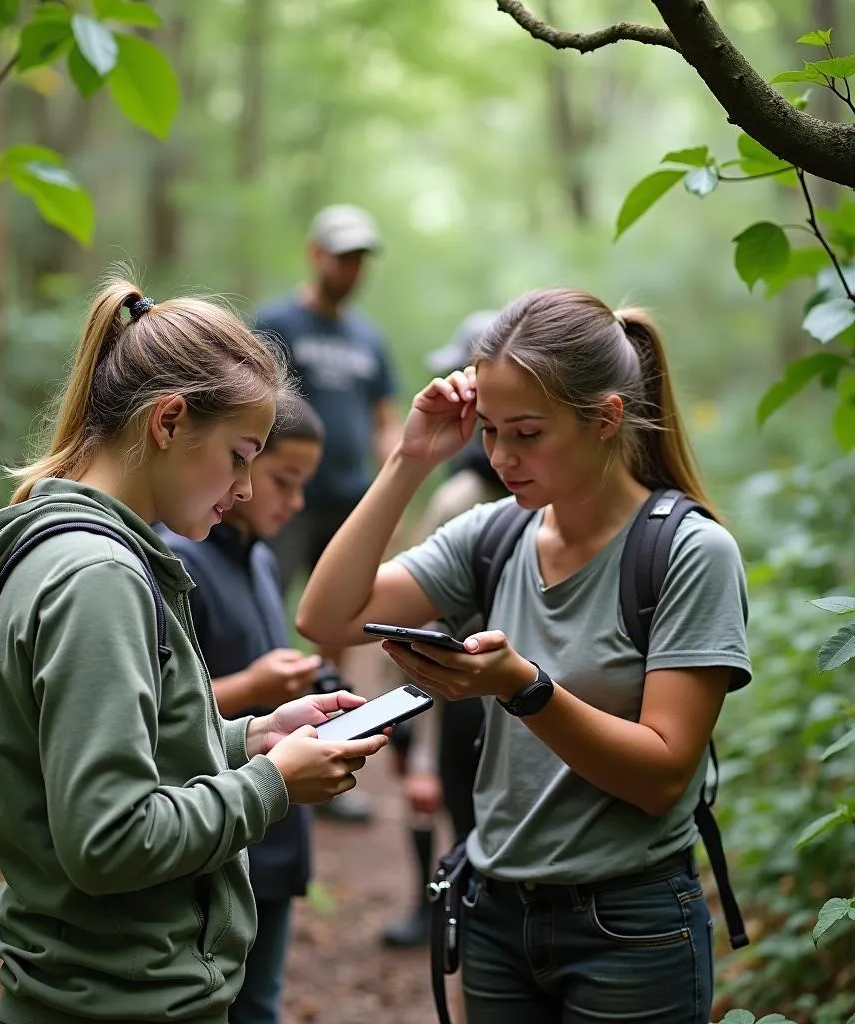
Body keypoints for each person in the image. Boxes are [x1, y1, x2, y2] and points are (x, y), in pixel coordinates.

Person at [0, 275, 388, 1024]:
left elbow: (102, 759)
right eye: (240, 455)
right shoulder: (99, 578)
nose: (244, 488)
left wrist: (248, 738)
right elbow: (109, 840)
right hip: (117, 1000)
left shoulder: (82, 554)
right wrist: (273, 782)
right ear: (169, 422)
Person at [296, 288, 751, 1024]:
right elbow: (328, 617)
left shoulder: (689, 553)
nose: (502, 457)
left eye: (528, 434)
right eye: (491, 431)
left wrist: (524, 688)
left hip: (629, 926)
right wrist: (411, 459)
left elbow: (663, 776)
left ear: (604, 419)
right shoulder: (495, 534)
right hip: (496, 913)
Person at [156, 395, 328, 1024]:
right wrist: (255, 684)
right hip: (211, 820)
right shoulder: (178, 561)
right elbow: (162, 715)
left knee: (261, 1001)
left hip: (272, 820)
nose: (291, 499)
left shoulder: (258, 557)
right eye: (280, 478)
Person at [255, 203, 402, 824]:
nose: (351, 268)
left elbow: (384, 420)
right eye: (342, 255)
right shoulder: (277, 322)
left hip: (348, 504)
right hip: (286, 505)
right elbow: (250, 399)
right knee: (267, 611)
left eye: (360, 258)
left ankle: (333, 747)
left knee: (340, 627)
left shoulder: (369, 339)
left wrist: (399, 474)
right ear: (316, 254)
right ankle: (258, 749)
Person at [381, 311, 504, 951]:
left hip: (493, 695)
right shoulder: (461, 499)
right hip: (455, 688)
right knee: (446, 801)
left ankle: (460, 914)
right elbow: (419, 617)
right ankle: (433, 907)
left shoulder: (484, 498)